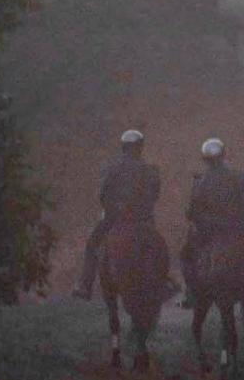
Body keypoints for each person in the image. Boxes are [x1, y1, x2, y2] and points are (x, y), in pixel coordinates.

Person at [72, 129, 177, 302]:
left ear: (124, 147)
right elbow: (155, 194)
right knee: (158, 246)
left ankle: (85, 284)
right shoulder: (149, 169)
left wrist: (114, 208)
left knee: (92, 245)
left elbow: (103, 195)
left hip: (115, 218)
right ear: (140, 147)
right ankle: (164, 282)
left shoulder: (112, 168)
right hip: (142, 219)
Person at [182, 137, 244, 305]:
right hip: (235, 229)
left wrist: (192, 214)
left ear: (205, 159)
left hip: (209, 231)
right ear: (223, 155)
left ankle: (191, 292)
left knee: (186, 255)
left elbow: (194, 209)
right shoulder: (237, 177)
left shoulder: (201, 181)